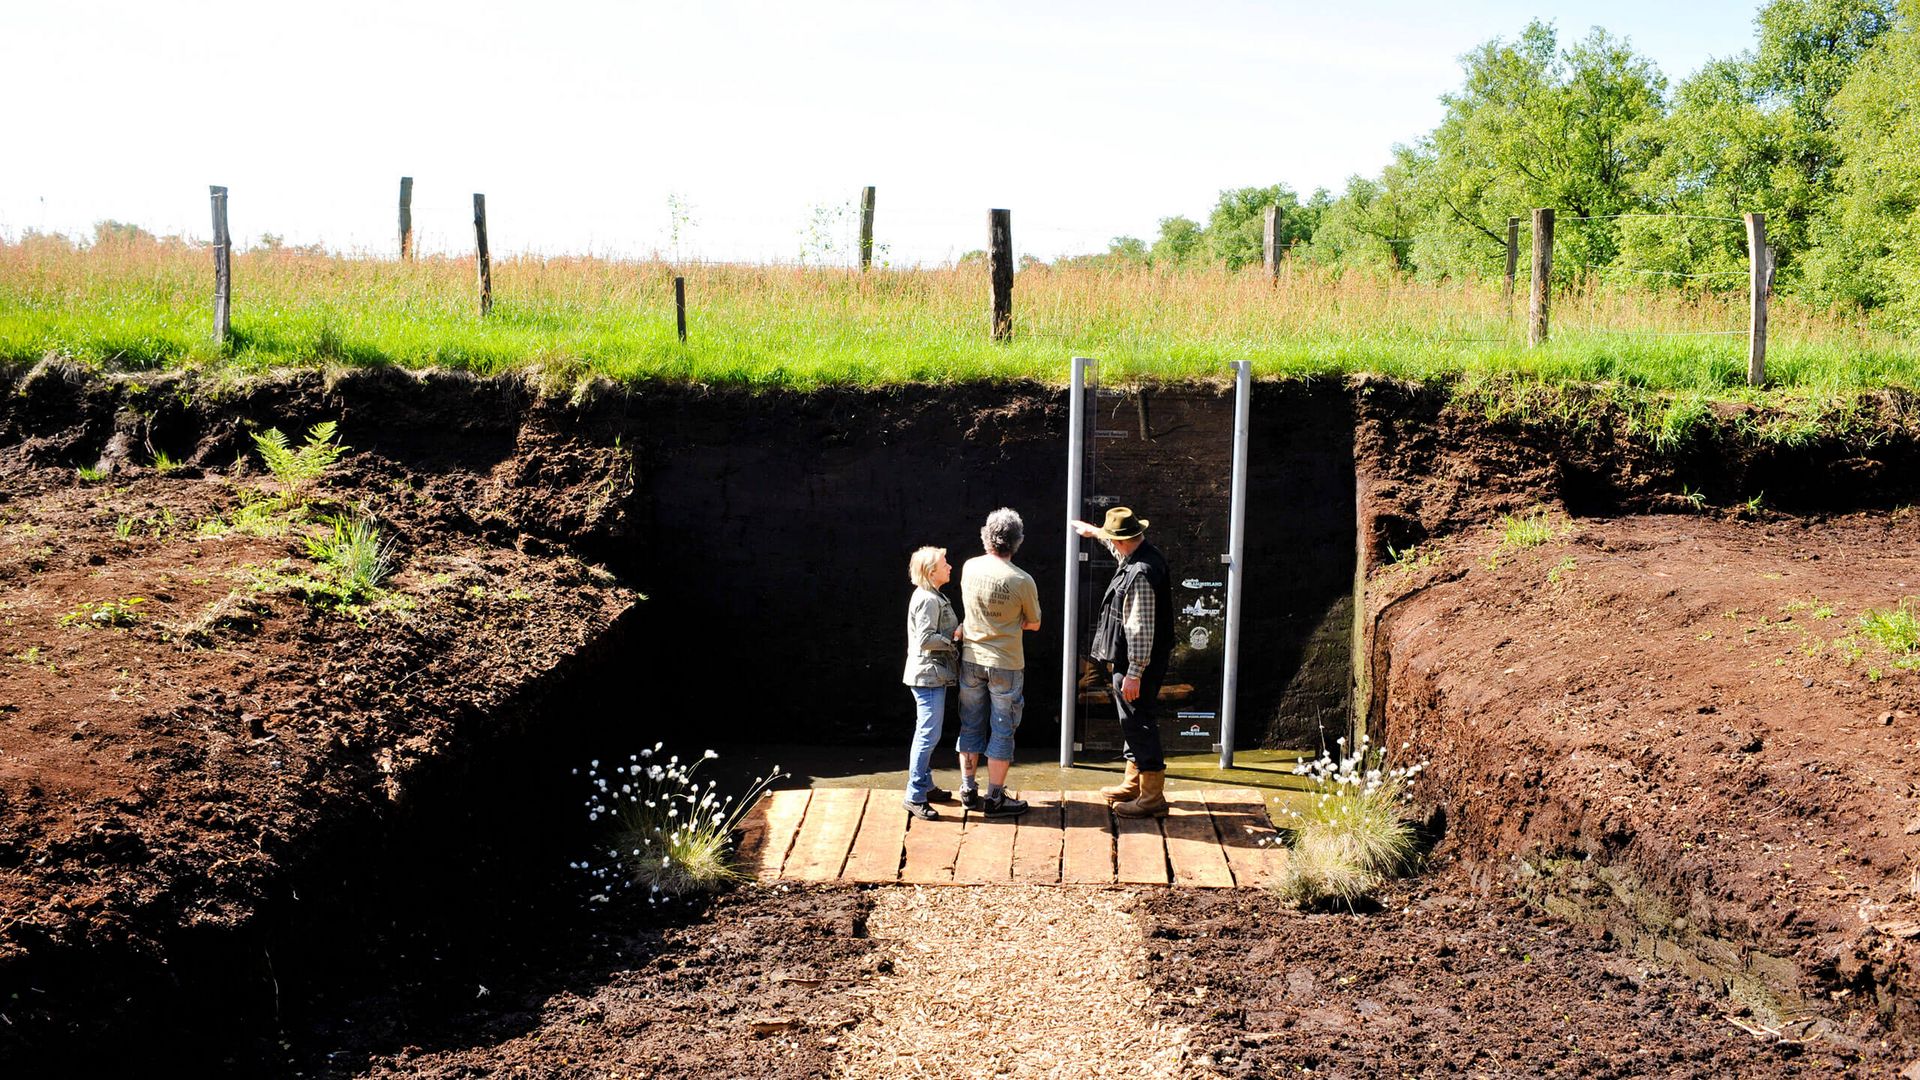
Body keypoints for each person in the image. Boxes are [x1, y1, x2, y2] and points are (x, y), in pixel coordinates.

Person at [1070, 506, 1173, 818]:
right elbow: (1119, 547)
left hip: (1136, 665)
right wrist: (1096, 532)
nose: (1112, 545)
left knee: (1139, 723)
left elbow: (1140, 627)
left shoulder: (1141, 573)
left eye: (1114, 540)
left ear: (1124, 541)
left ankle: (1152, 798)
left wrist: (1134, 673)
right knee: (1133, 720)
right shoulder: (1140, 555)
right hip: (1136, 664)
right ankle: (1134, 784)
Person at [956, 508, 1041, 817]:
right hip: (1006, 662)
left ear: (986, 536)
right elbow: (1034, 623)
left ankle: (967, 789)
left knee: (971, 722)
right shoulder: (1022, 580)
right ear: (1017, 541)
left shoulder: (969, 567)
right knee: (1002, 728)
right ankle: (995, 797)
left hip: (971, 658)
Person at [901, 546, 960, 820]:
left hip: (932, 674)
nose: (949, 566)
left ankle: (924, 784)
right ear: (931, 571)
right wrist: (955, 637)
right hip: (928, 676)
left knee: (928, 733)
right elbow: (926, 640)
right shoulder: (927, 599)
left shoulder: (932, 596)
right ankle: (915, 795)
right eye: (944, 563)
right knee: (927, 735)